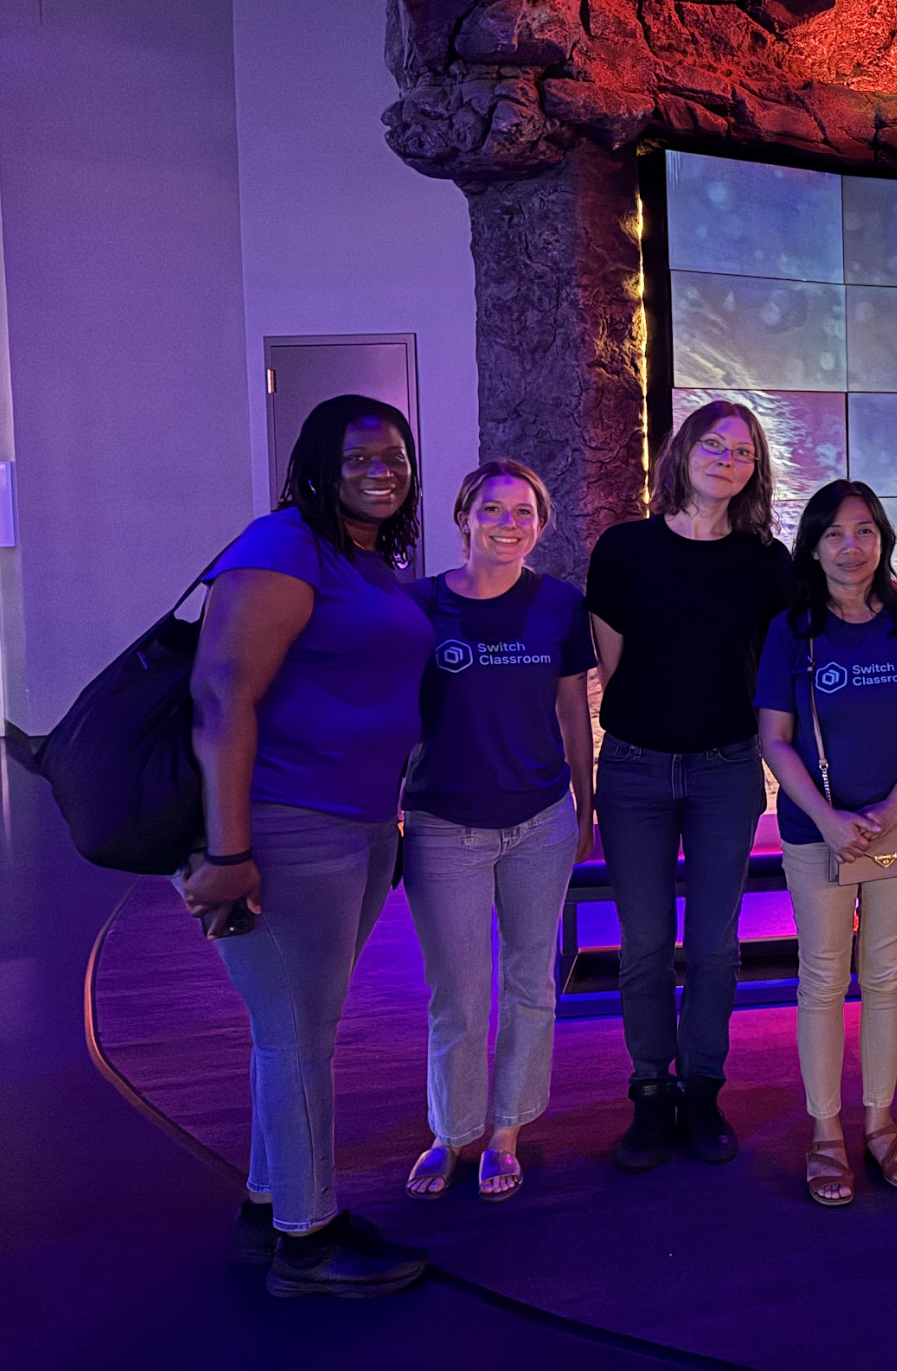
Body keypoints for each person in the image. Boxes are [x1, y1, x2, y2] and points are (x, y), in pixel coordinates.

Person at [182, 395, 435, 1296]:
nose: (382, 470)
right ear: (318, 465)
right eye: (360, 456)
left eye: (395, 456)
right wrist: (228, 852)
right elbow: (222, 694)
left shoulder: (361, 558)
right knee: (296, 1037)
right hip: (285, 824)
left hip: (355, 824)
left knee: (295, 1029)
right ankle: (309, 1244)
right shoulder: (283, 544)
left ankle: (274, 1208)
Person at [585, 399, 792, 1171]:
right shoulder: (624, 549)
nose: (727, 460)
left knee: (713, 947)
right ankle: (650, 1090)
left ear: (754, 470)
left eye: (743, 452)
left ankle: (702, 1088)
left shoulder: (765, 561)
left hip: (725, 770)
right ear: (682, 450)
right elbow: (614, 665)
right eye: (714, 445)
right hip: (634, 769)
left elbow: (776, 665)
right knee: (643, 946)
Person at [400, 461, 597, 1204]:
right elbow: (391, 714)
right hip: (442, 825)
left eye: (523, 513)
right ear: (464, 518)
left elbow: (572, 709)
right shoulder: (420, 605)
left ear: (541, 526)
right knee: (456, 994)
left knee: (529, 984)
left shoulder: (559, 604)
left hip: (540, 821)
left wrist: (586, 800)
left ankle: (507, 1131)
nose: (508, 524)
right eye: (492, 510)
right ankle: (451, 1133)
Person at [756, 480, 897, 1207]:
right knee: (822, 976)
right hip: (819, 831)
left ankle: (878, 1121)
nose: (851, 546)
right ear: (813, 546)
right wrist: (830, 818)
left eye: (865, 530)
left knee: (887, 976)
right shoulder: (792, 629)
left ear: (883, 538)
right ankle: (825, 1132)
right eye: (835, 533)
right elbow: (775, 739)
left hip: (896, 828)